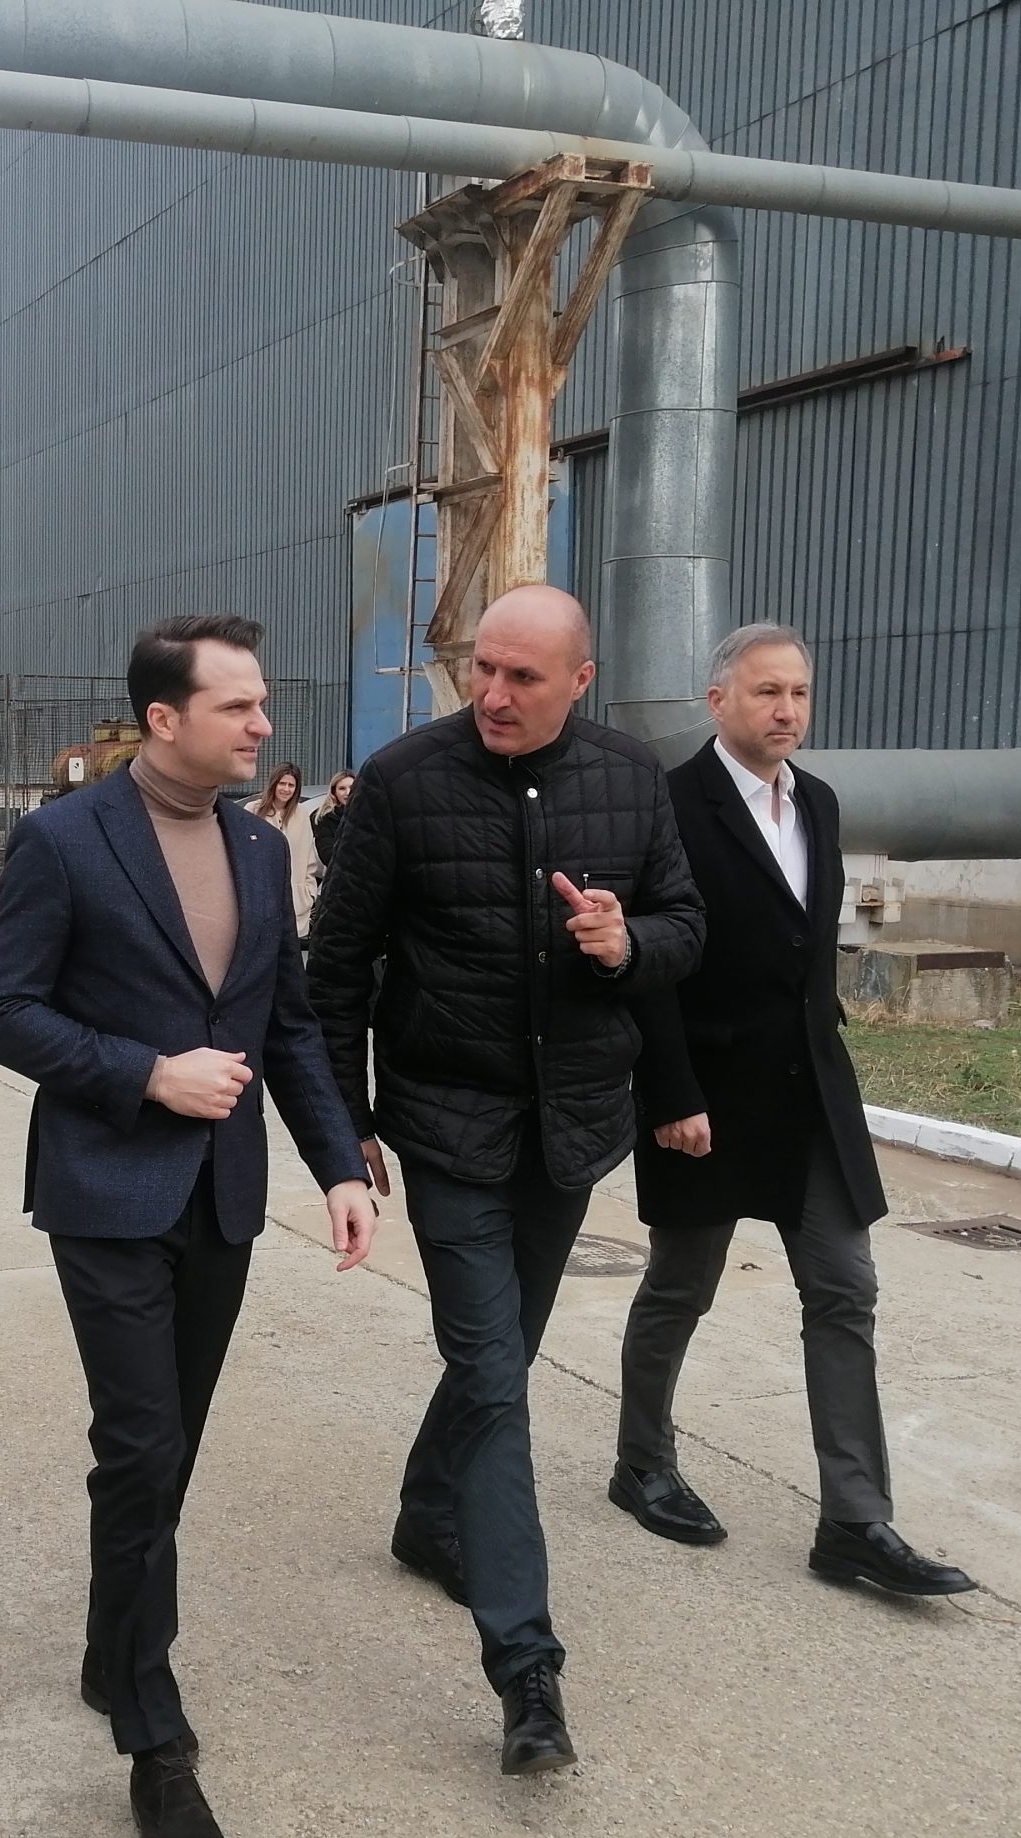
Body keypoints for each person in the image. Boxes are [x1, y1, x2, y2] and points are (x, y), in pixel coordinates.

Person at [0, 613, 378, 1838]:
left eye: (260, 703)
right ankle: (154, 1737)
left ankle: (112, 1647)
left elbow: (287, 1025)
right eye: (237, 706)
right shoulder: (64, 839)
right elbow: (2, 1012)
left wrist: (338, 1163)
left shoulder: (259, 846)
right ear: (164, 718)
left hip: (221, 1198)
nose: (263, 724)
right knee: (142, 1446)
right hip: (105, 1188)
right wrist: (145, 1072)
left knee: (166, 1452)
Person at [309, 583, 703, 1777]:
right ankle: (526, 1668)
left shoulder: (630, 777)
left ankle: (430, 1517)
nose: (490, 693)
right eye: (481, 668)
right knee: (491, 1376)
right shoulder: (404, 780)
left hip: (570, 1130)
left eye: (521, 677)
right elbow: (338, 966)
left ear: (579, 680)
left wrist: (627, 943)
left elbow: (685, 924)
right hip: (449, 1127)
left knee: (502, 1359)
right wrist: (343, 1130)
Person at [618, 623, 976, 1597]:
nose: (787, 711)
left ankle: (855, 1521)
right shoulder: (669, 805)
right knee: (680, 1287)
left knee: (845, 1288)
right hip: (706, 1097)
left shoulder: (816, 802)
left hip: (809, 1093)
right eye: (766, 692)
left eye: (799, 693)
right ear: (717, 701)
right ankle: (641, 1461)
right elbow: (648, 964)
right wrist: (669, 1094)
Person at [244, 761, 316, 936]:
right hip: (260, 903)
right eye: (282, 783)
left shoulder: (302, 813)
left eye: (291, 785)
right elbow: (243, 856)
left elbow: (309, 856)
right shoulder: (253, 810)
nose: (286, 789)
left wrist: (308, 892)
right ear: (273, 784)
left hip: (296, 905)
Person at [309, 770, 355, 882]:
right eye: (342, 788)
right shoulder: (323, 818)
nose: (348, 792)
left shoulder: (368, 815)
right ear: (334, 792)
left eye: (352, 787)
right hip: (338, 880)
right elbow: (327, 854)